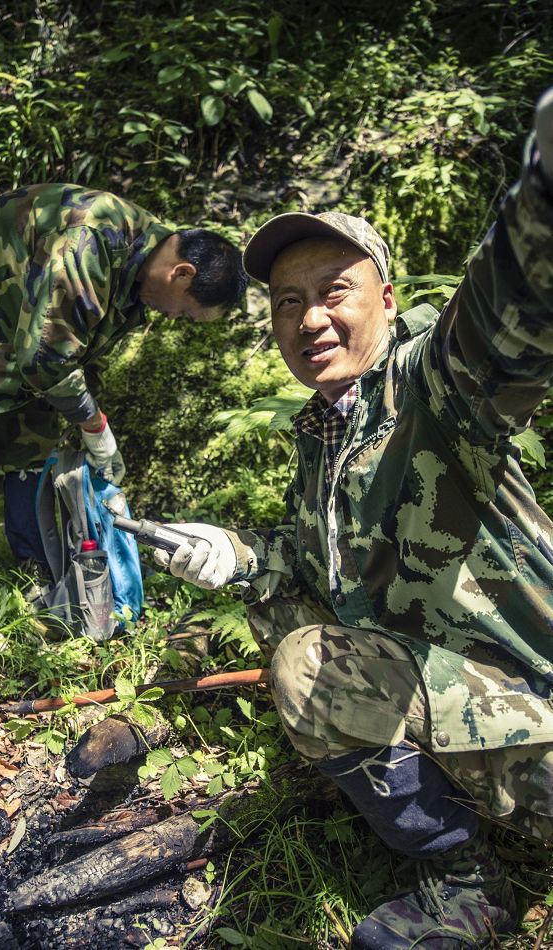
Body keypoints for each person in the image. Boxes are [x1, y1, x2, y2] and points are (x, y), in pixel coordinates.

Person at [153, 88, 553, 947]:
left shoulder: (428, 388)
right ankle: (462, 861)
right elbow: (314, 569)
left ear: (386, 295)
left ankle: (464, 884)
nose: (310, 319)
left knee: (307, 661)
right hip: (466, 702)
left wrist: (540, 198)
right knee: (287, 615)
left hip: (538, 715)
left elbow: (502, 317)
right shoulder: (327, 432)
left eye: (333, 290)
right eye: (287, 302)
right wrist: (232, 552)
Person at [0, 184, 247, 641]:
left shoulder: (140, 270)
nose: (174, 319)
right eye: (184, 313)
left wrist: (85, 417)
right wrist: (93, 423)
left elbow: (74, 352)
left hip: (18, 315)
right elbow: (46, 358)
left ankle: (33, 575)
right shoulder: (92, 243)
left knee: (34, 436)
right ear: (181, 274)